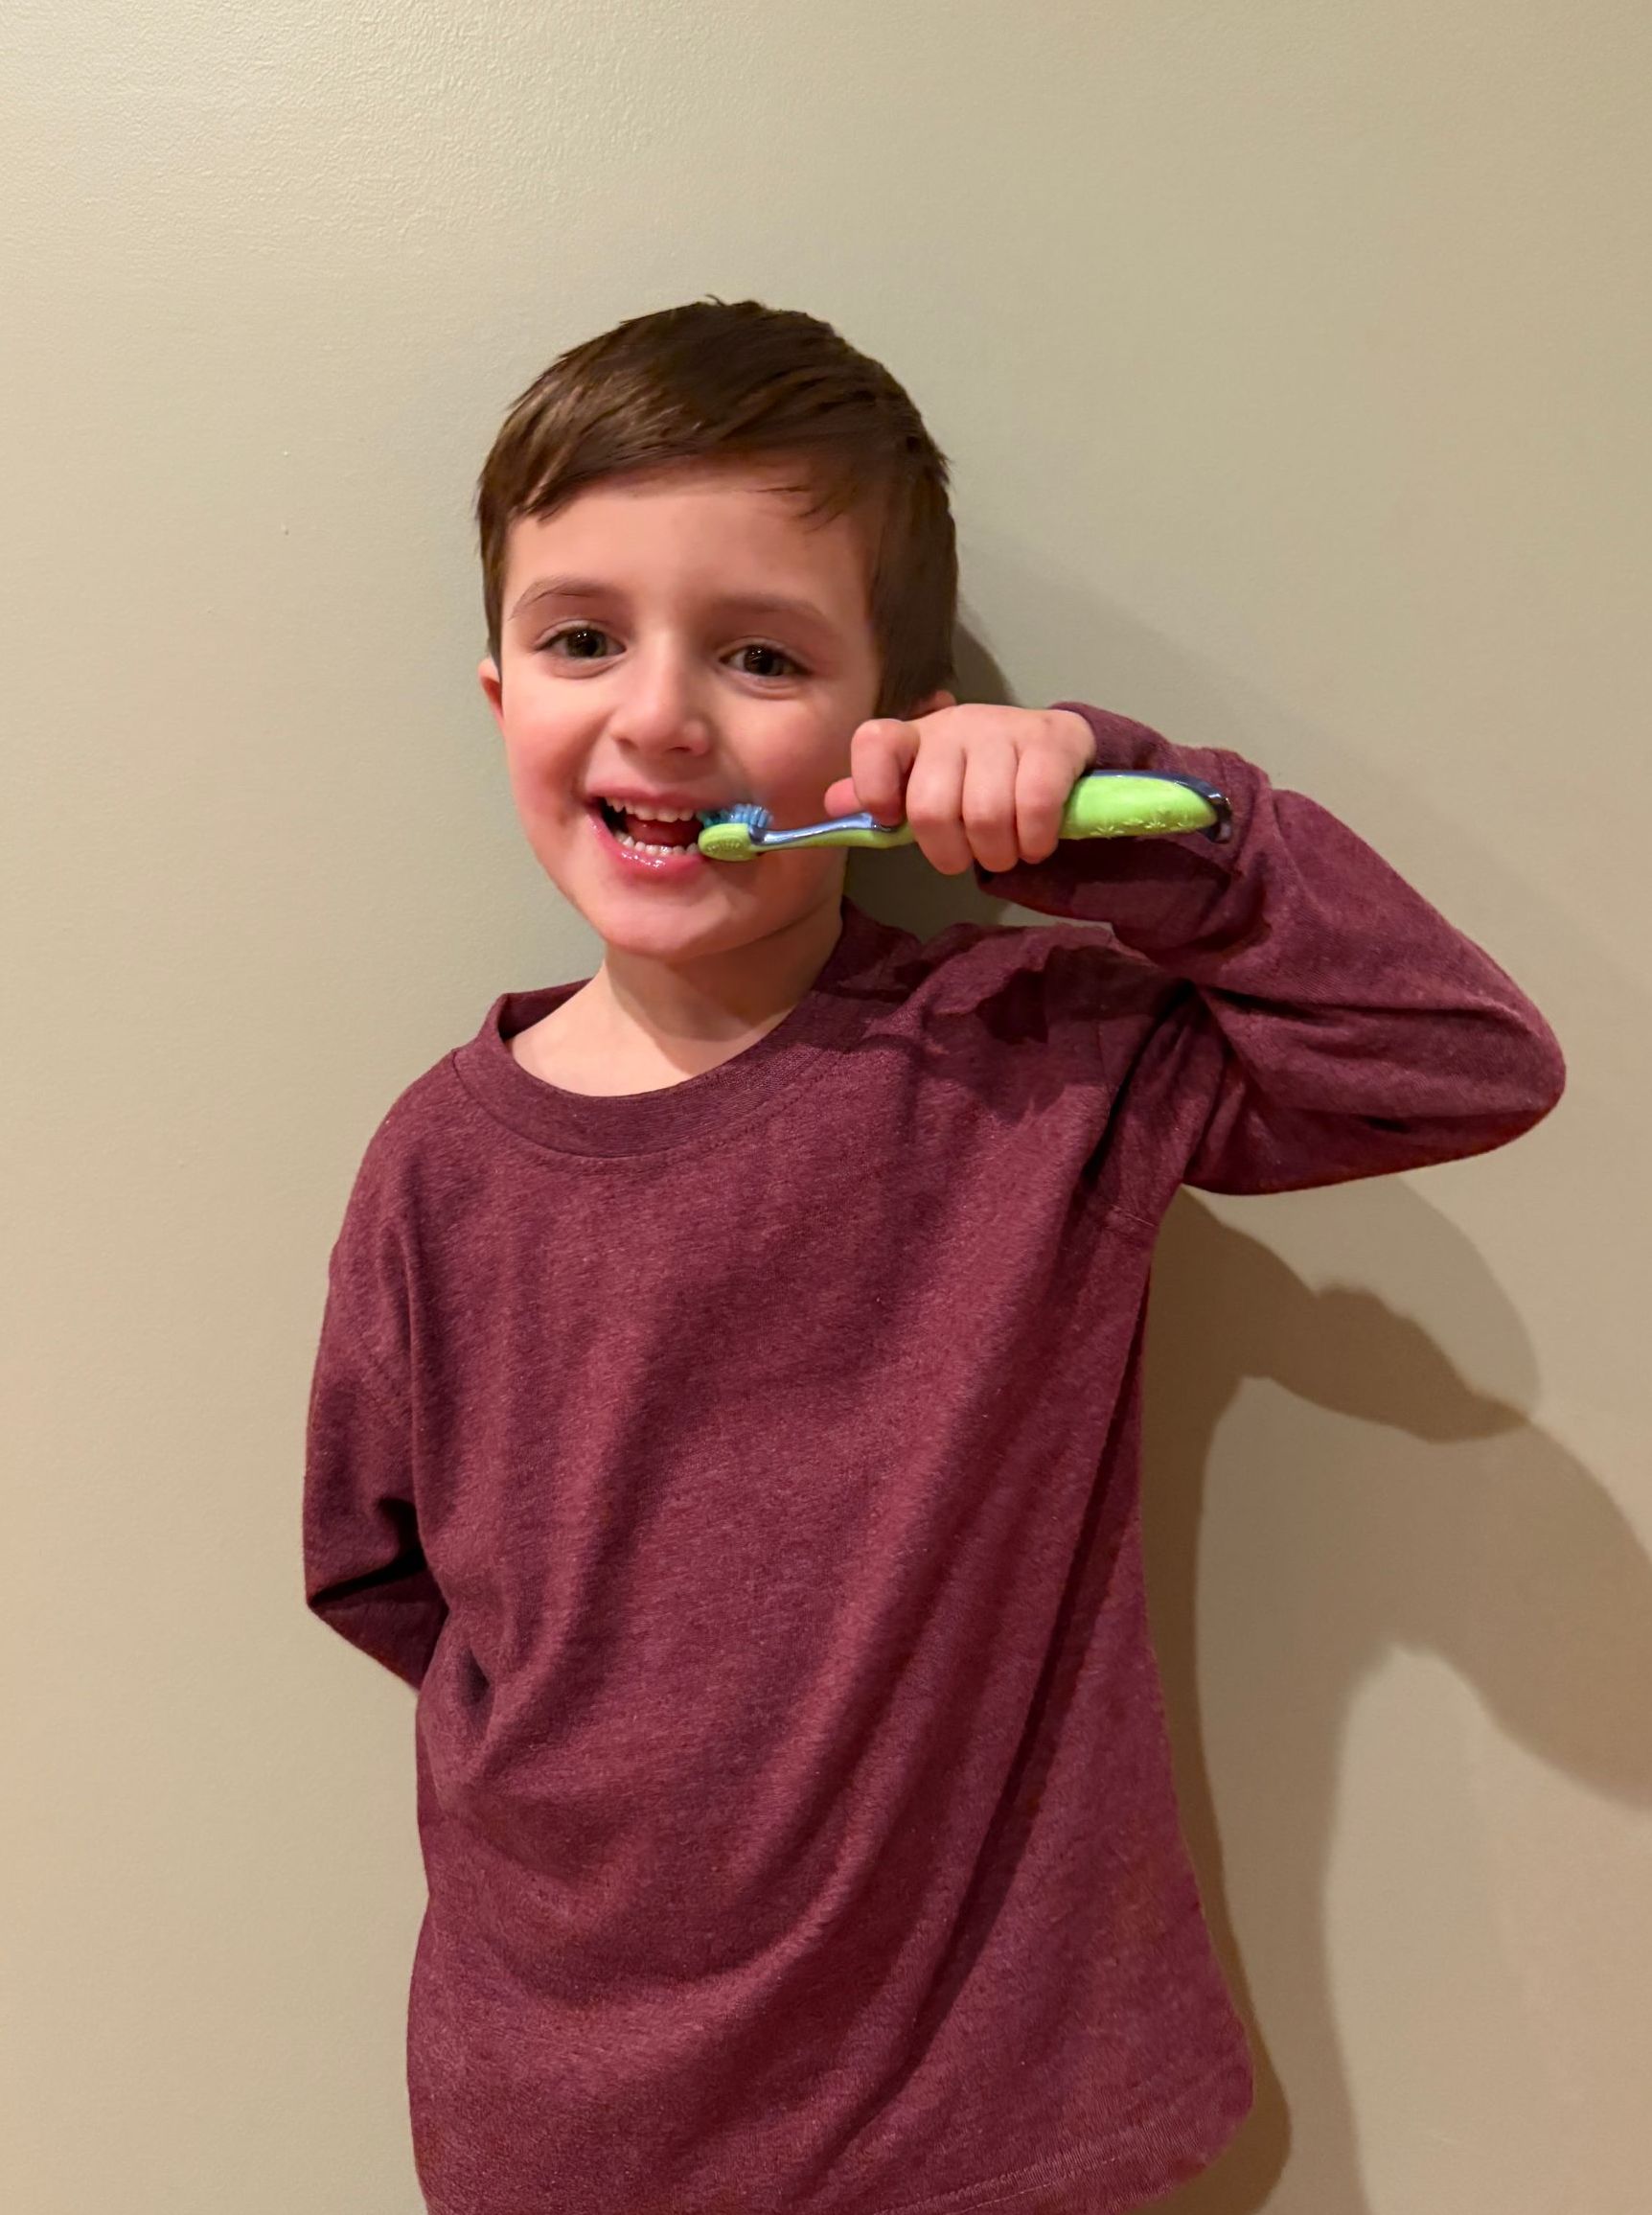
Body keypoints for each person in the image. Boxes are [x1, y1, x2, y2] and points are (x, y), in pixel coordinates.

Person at [302, 299, 1564, 2215]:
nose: (660, 714)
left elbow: (1458, 1063)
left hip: (984, 2126)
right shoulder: (434, 1169)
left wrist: (1131, 832)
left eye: (758, 652)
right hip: (562, 2128)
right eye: (582, 638)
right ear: (499, 698)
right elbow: (373, 1563)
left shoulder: (1034, 1057)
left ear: (882, 727)